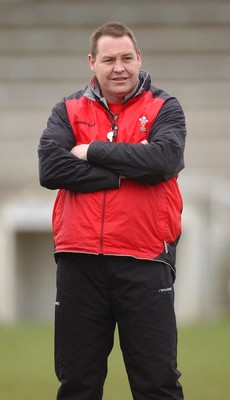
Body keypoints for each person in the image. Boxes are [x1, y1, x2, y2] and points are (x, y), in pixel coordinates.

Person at [38, 21, 186, 400]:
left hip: (145, 260)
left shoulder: (164, 107)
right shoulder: (67, 109)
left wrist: (92, 151)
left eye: (125, 58)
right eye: (108, 59)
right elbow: (52, 170)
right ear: (92, 62)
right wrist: (125, 176)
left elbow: (164, 160)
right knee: (77, 385)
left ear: (139, 58)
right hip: (79, 262)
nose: (118, 67)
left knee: (158, 385)